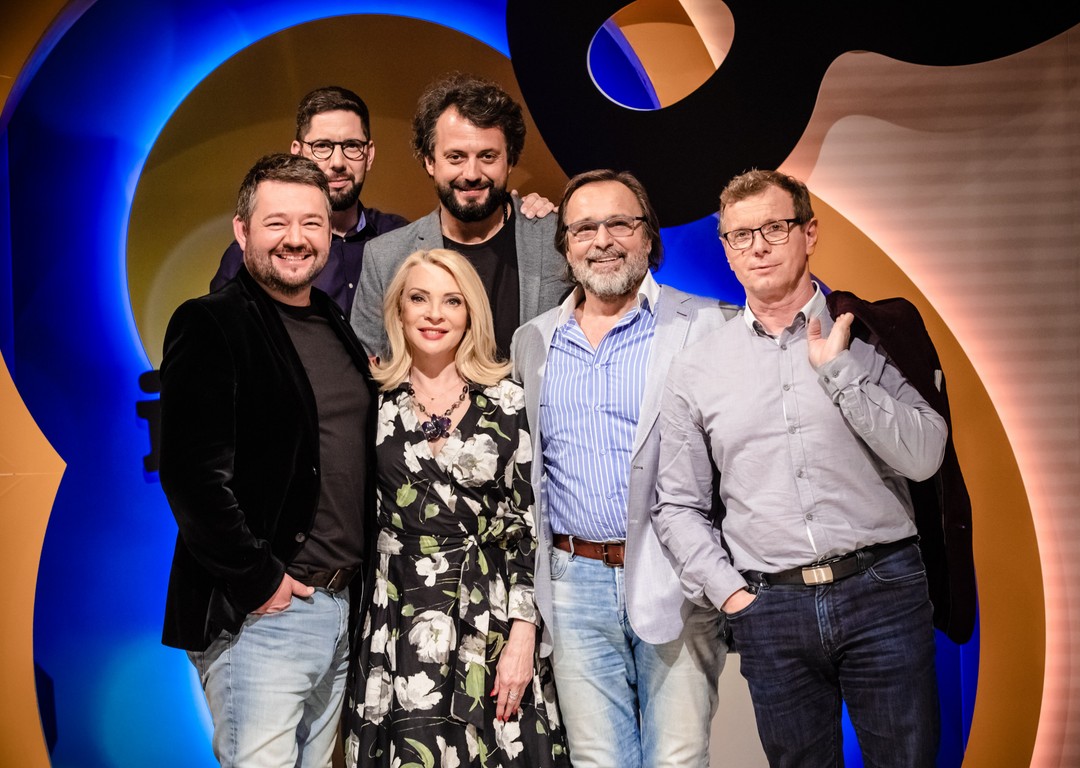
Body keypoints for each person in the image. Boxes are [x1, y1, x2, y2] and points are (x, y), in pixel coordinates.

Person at [654, 169, 949, 767]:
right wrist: (732, 596)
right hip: (772, 608)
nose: (758, 247)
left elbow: (924, 457)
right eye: (741, 236)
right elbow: (677, 504)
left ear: (809, 233)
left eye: (775, 228)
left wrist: (840, 374)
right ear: (726, 250)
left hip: (882, 591)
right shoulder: (696, 367)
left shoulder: (872, 333)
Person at [159, 152, 377, 767]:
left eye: (311, 223)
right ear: (242, 230)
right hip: (264, 614)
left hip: (340, 607)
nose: (295, 239)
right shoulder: (210, 323)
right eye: (276, 222)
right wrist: (261, 583)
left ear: (330, 232)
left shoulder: (332, 320)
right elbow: (192, 476)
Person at [511, 169, 733, 767]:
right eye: (584, 228)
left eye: (619, 223)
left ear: (648, 235)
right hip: (572, 582)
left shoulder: (706, 324)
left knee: (677, 759)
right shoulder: (533, 341)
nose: (602, 240)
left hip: (675, 577)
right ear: (565, 245)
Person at [342, 248, 569, 767]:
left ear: (471, 314)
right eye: (419, 299)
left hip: (489, 620)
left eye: (452, 301)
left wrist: (524, 633)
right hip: (396, 618)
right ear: (398, 310)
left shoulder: (508, 401)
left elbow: (527, 527)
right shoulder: (371, 400)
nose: (434, 314)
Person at [351, 72, 571, 361]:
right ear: (430, 161)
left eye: (488, 156)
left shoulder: (557, 239)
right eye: (455, 157)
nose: (471, 174)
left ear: (510, 160)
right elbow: (367, 368)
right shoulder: (385, 258)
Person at [210, 85, 409, 314]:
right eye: (322, 146)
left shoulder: (401, 238)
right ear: (298, 153)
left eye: (352, 146)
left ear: (369, 155)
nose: (338, 162)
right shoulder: (254, 252)